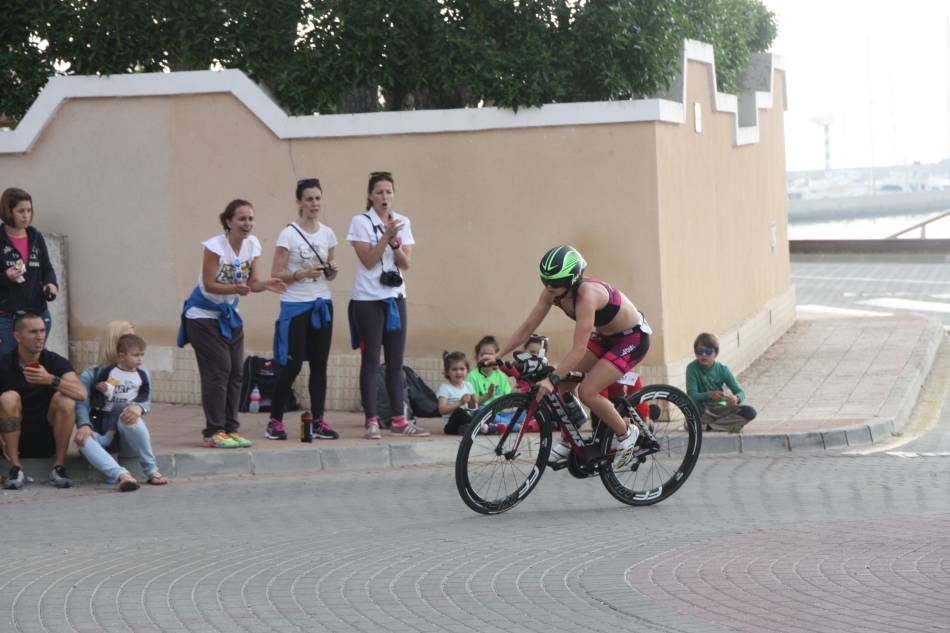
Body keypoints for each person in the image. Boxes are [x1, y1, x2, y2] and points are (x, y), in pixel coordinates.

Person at [489, 245, 652, 469]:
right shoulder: (552, 292)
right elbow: (528, 326)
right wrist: (498, 353)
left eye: (555, 283)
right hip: (605, 336)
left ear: (572, 280)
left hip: (631, 339)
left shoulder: (587, 295)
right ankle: (570, 441)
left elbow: (578, 350)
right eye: (544, 280)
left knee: (587, 391)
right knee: (564, 385)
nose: (548, 287)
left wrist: (550, 379)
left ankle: (627, 434)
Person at [177, 199, 286, 449]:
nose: (247, 224)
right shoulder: (215, 247)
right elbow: (209, 284)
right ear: (229, 221)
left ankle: (230, 428)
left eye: (250, 219)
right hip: (202, 316)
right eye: (241, 219)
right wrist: (235, 288)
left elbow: (253, 282)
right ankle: (213, 431)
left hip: (230, 315)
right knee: (219, 371)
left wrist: (266, 285)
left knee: (236, 371)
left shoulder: (252, 245)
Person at [347, 171, 429, 439]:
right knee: (371, 361)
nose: (385, 197)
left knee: (396, 362)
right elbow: (368, 261)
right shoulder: (360, 222)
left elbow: (406, 264)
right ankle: (371, 419)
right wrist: (384, 237)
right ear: (370, 195)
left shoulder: (403, 221)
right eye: (379, 192)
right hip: (368, 299)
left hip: (395, 297)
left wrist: (395, 242)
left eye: (389, 192)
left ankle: (399, 419)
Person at [267, 178, 341, 442]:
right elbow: (275, 274)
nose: (314, 204)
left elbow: (328, 274)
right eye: (309, 199)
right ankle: (275, 420)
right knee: (292, 364)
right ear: (299, 202)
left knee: (320, 365)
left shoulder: (328, 234)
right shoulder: (288, 234)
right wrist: (301, 273)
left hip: (322, 303)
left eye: (318, 198)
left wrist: (331, 271)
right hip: (296, 305)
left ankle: (319, 420)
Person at [74, 324, 167, 491]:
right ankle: (122, 476)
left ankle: (152, 471)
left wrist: (139, 407)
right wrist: (84, 425)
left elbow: (146, 399)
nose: (134, 343)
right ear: (115, 347)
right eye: (126, 339)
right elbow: (82, 405)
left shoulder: (140, 372)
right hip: (101, 434)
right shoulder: (92, 374)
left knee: (129, 416)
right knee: (83, 440)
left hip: (128, 439)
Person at [0, 312, 85, 489]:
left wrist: (51, 380)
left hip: (47, 439)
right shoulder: (4, 364)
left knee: (66, 400)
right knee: (8, 398)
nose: (40, 337)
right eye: (33, 332)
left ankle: (59, 466)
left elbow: (81, 393)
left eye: (42, 331)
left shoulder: (54, 362)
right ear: (17, 336)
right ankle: (16, 468)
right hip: (10, 442)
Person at [0, 188, 58, 356]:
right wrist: (6, 277)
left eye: (29, 210)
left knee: (34, 363)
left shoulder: (35, 236)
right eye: (20, 211)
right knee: (8, 366)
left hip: (37, 313)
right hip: (7, 317)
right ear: (7, 211)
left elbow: (47, 268)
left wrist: (51, 284)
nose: (26, 215)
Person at [686, 332, 757, 432]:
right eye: (700, 351)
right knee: (690, 404)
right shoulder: (692, 368)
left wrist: (736, 398)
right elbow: (692, 394)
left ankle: (707, 426)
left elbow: (740, 392)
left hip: (721, 410)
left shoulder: (723, 370)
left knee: (750, 412)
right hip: (704, 410)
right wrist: (709, 395)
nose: (704, 354)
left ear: (716, 353)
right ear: (695, 352)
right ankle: (724, 425)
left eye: (708, 351)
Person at [437, 351, 501, 435]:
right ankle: (484, 427)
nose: (458, 372)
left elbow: (477, 402)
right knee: (459, 412)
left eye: (462, 369)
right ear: (447, 372)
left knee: (487, 410)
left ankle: (474, 428)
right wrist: (460, 402)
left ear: (467, 370)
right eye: (454, 369)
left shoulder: (468, 385)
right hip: (452, 426)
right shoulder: (445, 388)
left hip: (467, 422)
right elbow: (442, 410)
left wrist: (488, 395)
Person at [467, 336, 513, 405]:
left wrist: (514, 392)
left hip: (500, 410)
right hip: (482, 411)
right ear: (476, 358)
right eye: (483, 355)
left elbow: (508, 397)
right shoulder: (472, 377)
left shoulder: (501, 375)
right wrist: (488, 396)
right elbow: (472, 404)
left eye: (491, 355)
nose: (487, 358)